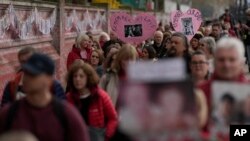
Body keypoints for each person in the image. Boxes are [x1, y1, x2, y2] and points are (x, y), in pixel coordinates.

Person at [0, 53, 90, 141]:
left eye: (33, 74)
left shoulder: (67, 115)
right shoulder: (9, 113)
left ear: (49, 79)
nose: (26, 78)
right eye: (26, 73)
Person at [199, 37, 248, 132]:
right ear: (214, 62)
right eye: (221, 60)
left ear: (241, 62)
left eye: (232, 60)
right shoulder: (200, 92)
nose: (226, 65)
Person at [66, 60, 118, 141]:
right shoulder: (69, 98)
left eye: (81, 76)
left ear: (88, 78)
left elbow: (113, 118)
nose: (77, 79)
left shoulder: (101, 96)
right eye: (75, 76)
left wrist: (106, 135)